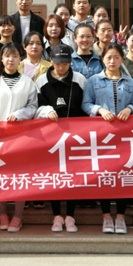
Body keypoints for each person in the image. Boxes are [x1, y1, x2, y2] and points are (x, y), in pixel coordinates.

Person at [0, 43, 38, 232]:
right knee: (0, 176)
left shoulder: (28, 82)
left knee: (20, 176)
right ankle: (2, 214)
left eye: (14, 56)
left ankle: (18, 216)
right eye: (7, 56)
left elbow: (32, 107)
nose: (11, 59)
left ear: (20, 59)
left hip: (21, 136)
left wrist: (19, 115)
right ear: (1, 59)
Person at [81, 44, 133, 234]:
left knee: (123, 174)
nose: (112, 61)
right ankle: (106, 215)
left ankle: (120, 217)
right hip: (102, 135)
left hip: (124, 135)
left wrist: (130, 109)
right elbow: (86, 104)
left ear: (122, 59)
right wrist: (99, 110)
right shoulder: (93, 81)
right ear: (102, 59)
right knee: (104, 175)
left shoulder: (130, 82)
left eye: (116, 57)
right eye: (108, 57)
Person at [35, 43, 86, 233]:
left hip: (76, 136)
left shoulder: (80, 79)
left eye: (65, 63)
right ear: (51, 61)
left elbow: (86, 105)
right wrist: (47, 110)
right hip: (51, 138)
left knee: (74, 176)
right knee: (54, 175)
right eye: (58, 63)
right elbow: (36, 107)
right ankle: (56, 215)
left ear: (71, 62)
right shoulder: (41, 81)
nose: (62, 67)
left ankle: (71, 216)